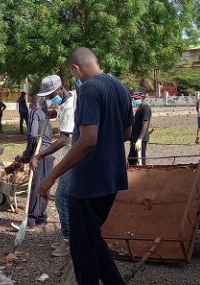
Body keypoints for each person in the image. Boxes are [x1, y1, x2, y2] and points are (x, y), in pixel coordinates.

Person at [38, 47, 133, 285]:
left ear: (75, 69)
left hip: (88, 183)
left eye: (73, 74)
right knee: (92, 238)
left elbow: (87, 140)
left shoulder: (89, 89)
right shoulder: (120, 87)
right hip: (112, 179)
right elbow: (127, 132)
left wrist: (52, 176)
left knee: (82, 250)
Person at [29, 74, 76, 257]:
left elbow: (64, 139)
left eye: (52, 95)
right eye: (47, 96)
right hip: (71, 155)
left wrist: (38, 155)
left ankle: (69, 240)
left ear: (61, 88)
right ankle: (69, 237)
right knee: (68, 199)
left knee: (61, 198)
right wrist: (55, 112)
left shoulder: (71, 105)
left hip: (74, 157)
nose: (49, 99)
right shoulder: (65, 101)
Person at [13, 94, 53, 231]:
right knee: (44, 186)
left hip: (40, 154)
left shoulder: (35, 112)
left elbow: (33, 135)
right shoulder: (45, 115)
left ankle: (30, 220)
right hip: (49, 154)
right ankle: (41, 216)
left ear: (33, 103)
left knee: (35, 187)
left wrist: (27, 156)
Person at [129, 93, 151, 166]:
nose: (134, 100)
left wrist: (140, 139)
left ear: (142, 98)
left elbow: (145, 123)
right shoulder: (139, 108)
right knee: (131, 161)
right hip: (134, 139)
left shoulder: (146, 108)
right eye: (133, 99)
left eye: (136, 99)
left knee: (140, 163)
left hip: (139, 139)